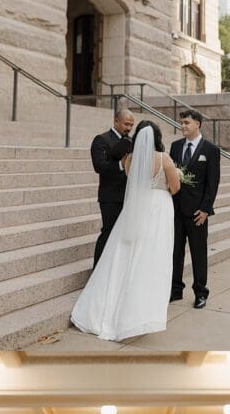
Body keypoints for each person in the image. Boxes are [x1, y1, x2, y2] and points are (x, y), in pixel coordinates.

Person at [71, 121, 180, 341]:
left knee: (123, 256)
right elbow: (175, 187)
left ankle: (104, 309)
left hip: (134, 209)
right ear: (158, 137)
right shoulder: (164, 159)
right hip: (158, 210)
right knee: (151, 256)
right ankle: (140, 311)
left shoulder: (129, 159)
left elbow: (133, 182)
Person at [170, 110, 220, 309]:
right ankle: (175, 290)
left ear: (197, 124)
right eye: (181, 122)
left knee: (198, 253)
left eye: (186, 122)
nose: (183, 126)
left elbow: (213, 182)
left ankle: (200, 292)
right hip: (176, 209)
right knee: (175, 252)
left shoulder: (211, 150)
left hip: (198, 212)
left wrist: (206, 209)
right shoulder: (175, 147)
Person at [90, 108, 135, 268]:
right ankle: (97, 270)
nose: (129, 128)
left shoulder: (131, 141)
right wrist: (121, 165)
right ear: (116, 121)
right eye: (126, 124)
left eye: (131, 125)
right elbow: (99, 166)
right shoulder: (101, 140)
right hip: (110, 197)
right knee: (108, 232)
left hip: (128, 196)